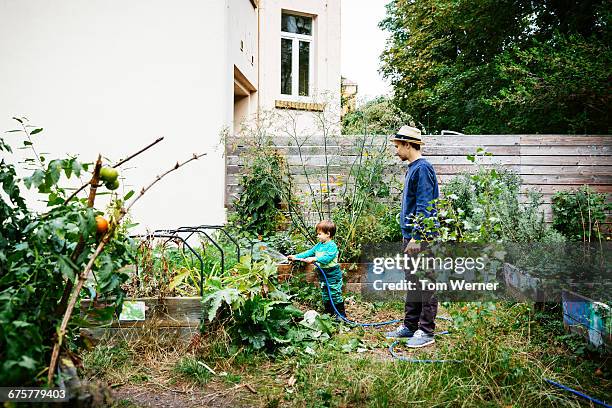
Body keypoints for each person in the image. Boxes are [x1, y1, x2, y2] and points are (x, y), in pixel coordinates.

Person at [385, 125, 440, 348]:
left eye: (398, 146)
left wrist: (418, 237)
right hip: (411, 236)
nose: (396, 151)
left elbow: (426, 206)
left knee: (426, 284)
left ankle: (426, 331)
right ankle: (410, 326)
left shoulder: (423, 168)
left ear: (408, 145)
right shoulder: (413, 168)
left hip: (421, 238)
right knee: (414, 283)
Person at [288, 220, 346, 317]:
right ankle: (329, 314)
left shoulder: (332, 246)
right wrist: (295, 256)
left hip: (333, 274)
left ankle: (341, 316)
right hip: (323, 274)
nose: (317, 236)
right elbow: (308, 252)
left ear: (328, 234)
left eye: (319, 234)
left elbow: (327, 258)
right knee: (325, 294)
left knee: (334, 294)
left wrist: (315, 258)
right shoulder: (319, 245)